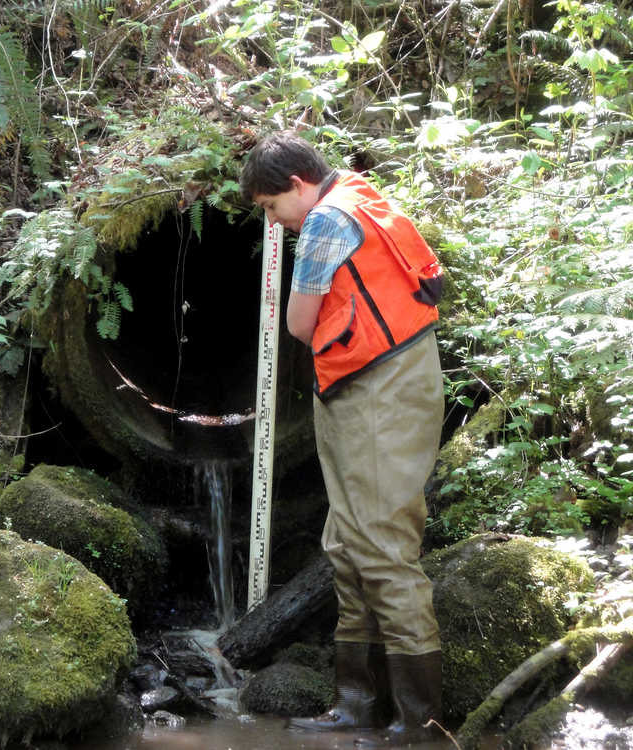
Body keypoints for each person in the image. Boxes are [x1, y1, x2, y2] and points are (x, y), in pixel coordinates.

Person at [240, 132, 446, 746]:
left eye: (273, 208)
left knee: (380, 545)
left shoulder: (328, 222)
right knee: (349, 540)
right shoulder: (359, 197)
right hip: (368, 384)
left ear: (298, 187)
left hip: (383, 390)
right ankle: (358, 704)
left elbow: (300, 323)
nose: (275, 223)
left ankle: (420, 723)